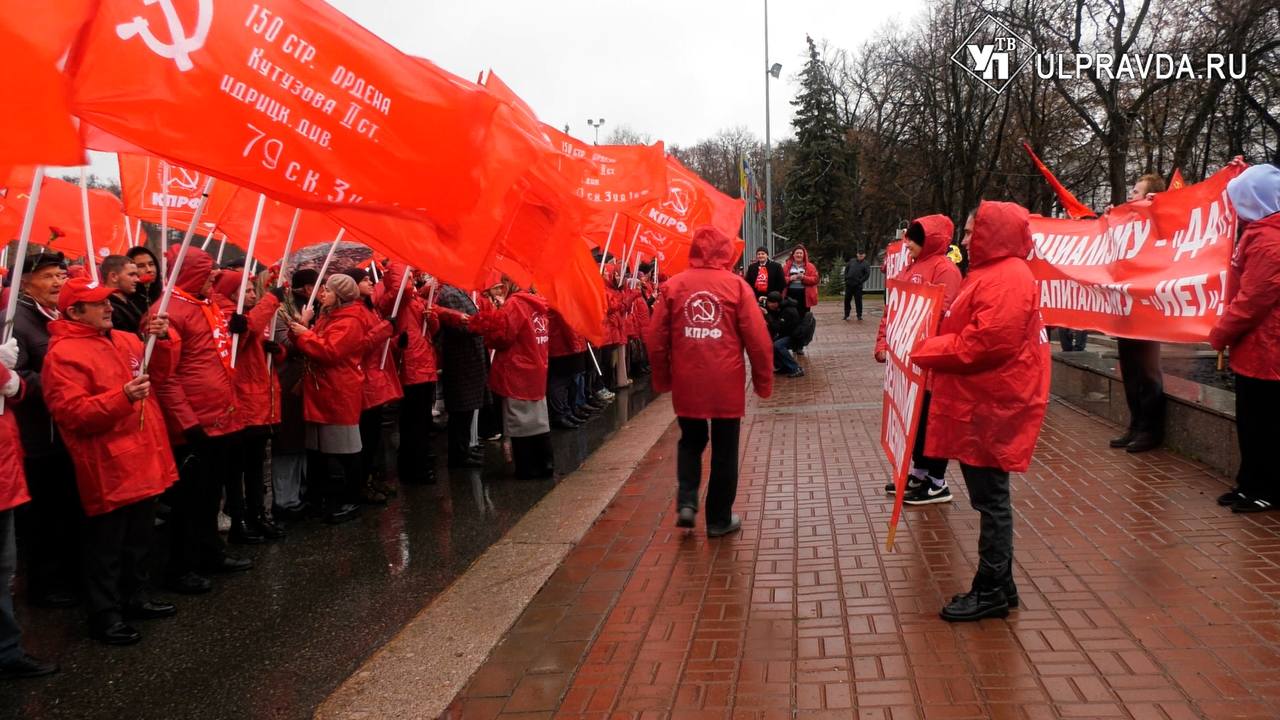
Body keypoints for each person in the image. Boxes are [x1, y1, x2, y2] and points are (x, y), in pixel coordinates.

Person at [912, 201, 1050, 622]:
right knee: (990, 497)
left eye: (973, 232)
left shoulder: (1006, 277)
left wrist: (927, 349)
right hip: (986, 400)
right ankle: (1001, 585)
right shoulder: (996, 273)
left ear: (995, 233)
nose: (967, 240)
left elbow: (985, 343)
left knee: (991, 500)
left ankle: (990, 589)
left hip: (992, 403)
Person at [42, 278, 180, 645]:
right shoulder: (63, 355)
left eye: (107, 301)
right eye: (98, 303)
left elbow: (158, 373)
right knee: (106, 547)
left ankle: (136, 597)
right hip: (109, 464)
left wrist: (163, 340)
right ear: (74, 312)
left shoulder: (124, 339)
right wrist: (123, 397)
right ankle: (105, 615)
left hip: (144, 454)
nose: (108, 307)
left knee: (138, 538)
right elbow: (73, 413)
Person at [646, 226, 774, 537]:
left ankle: (687, 501)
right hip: (726, 382)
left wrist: (663, 378)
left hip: (687, 379)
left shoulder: (674, 286)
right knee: (725, 449)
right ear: (726, 252)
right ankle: (718, 519)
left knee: (691, 441)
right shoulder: (737, 286)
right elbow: (758, 341)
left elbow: (655, 340)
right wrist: (763, 382)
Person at [148, 246, 250, 594]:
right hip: (195, 423)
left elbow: (220, 357)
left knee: (210, 494)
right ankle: (180, 568)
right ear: (191, 274)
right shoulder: (166, 312)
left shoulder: (203, 304)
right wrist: (187, 423)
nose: (214, 280)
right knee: (188, 500)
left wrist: (240, 333)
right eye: (208, 275)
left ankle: (209, 553)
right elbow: (165, 376)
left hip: (220, 416)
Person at [8, 249, 81, 609]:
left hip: (64, 430)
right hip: (36, 435)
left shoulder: (60, 314)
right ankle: (42, 586)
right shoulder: (14, 320)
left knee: (64, 507)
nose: (57, 282)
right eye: (49, 276)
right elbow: (14, 377)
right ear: (25, 282)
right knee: (41, 516)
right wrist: (59, 383)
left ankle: (64, 575)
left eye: (61, 275)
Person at [875, 215, 964, 505]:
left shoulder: (945, 269)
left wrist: (912, 344)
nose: (907, 244)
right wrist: (883, 343)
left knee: (931, 422)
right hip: (911, 364)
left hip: (931, 364)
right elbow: (893, 309)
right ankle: (920, 473)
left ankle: (937, 483)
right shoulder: (910, 268)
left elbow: (942, 315)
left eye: (914, 239)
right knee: (915, 422)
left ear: (930, 240)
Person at [1209, 163, 1280, 513]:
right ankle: (1249, 483)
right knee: (1251, 422)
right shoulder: (1259, 233)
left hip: (1269, 350)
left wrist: (1220, 332)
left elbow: (1254, 300)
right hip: (1256, 348)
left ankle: (1269, 489)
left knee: (1265, 424)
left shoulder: (1270, 241)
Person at [211, 270, 287, 542]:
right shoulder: (226, 315)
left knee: (255, 465)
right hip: (243, 402)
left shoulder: (250, 315)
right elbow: (242, 338)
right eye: (247, 290)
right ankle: (239, 520)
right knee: (237, 468)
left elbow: (259, 344)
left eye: (254, 290)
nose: (253, 295)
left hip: (261, 400)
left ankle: (257, 515)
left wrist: (277, 351)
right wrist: (271, 300)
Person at [288, 273, 367, 524]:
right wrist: (302, 326)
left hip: (338, 391)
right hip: (322, 390)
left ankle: (352, 499)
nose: (323, 293)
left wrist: (304, 333)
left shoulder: (351, 320)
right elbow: (312, 343)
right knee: (319, 449)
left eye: (329, 290)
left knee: (346, 450)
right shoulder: (329, 315)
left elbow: (330, 351)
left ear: (340, 296)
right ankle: (321, 498)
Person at [0, 337, 58, 677]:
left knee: (3, 568)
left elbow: (18, 392)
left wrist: (8, 376)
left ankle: (7, 650)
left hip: (5, 470)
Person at [468, 277, 554, 480]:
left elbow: (502, 338)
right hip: (536, 368)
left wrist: (488, 325)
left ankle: (528, 468)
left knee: (520, 422)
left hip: (517, 371)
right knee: (539, 421)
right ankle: (545, 462)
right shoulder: (537, 303)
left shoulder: (514, 304)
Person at [1111, 174, 1168, 453]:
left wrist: (1158, 211)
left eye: (1136, 192)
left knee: (1147, 370)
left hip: (1148, 309)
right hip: (1127, 307)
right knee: (1130, 369)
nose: (1130, 195)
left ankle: (1151, 430)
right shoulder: (1127, 224)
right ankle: (1135, 424)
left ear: (1150, 197)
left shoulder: (1160, 224)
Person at [378, 263, 440, 486]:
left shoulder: (414, 299)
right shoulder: (396, 299)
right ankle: (414, 467)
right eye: (410, 276)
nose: (413, 280)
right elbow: (400, 289)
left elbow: (432, 330)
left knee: (422, 419)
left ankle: (418, 463)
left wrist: (431, 318)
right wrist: (403, 261)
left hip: (424, 364)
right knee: (413, 421)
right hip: (411, 366)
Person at [344, 268, 400, 501]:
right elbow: (360, 345)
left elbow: (379, 343)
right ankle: (362, 483)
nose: (369, 283)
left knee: (374, 435)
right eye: (364, 280)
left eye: (369, 278)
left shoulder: (370, 308)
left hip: (376, 377)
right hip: (365, 380)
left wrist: (396, 340)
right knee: (366, 436)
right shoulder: (354, 312)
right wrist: (385, 328)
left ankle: (372, 478)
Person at [271, 268, 319, 520]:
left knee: (302, 440)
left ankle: (299, 493)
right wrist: (305, 324)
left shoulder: (314, 307)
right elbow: (287, 346)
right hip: (287, 383)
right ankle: (284, 500)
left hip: (303, 382)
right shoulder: (280, 312)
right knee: (287, 442)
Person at [434, 284, 490, 468]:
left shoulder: (459, 292)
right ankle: (459, 454)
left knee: (467, 411)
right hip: (462, 361)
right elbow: (460, 327)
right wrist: (484, 325)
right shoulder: (449, 293)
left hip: (469, 360)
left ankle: (464, 449)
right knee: (461, 411)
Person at [763, 291, 804, 378]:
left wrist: (766, 314)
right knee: (769, 345)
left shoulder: (787, 311)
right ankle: (784, 366)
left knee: (777, 345)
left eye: (770, 303)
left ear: (776, 303)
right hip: (788, 333)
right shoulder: (782, 306)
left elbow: (777, 327)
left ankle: (796, 368)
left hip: (795, 336)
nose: (768, 305)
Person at [101, 255, 144, 334]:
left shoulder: (130, 301)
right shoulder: (104, 307)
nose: (137, 279)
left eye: (137, 275)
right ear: (114, 276)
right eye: (131, 274)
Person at [781, 245, 819, 319]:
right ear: (793, 255)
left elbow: (815, 279)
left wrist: (803, 278)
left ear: (804, 255)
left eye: (801, 253)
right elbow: (781, 279)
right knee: (790, 314)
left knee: (803, 315)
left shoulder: (810, 266)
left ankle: (803, 326)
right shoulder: (787, 266)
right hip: (790, 294)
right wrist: (790, 278)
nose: (799, 255)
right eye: (797, 253)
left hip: (804, 295)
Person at [125, 246, 162, 312]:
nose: (149, 270)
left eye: (151, 264)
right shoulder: (126, 302)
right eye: (141, 266)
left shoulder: (165, 294)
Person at [843, 250, 870, 321]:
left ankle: (859, 315)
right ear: (857, 254)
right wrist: (846, 278)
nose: (860, 255)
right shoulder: (852, 261)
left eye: (862, 254)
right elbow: (846, 269)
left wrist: (860, 281)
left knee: (858, 301)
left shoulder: (866, 264)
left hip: (858, 286)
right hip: (849, 284)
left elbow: (867, 275)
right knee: (847, 300)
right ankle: (846, 315)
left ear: (864, 255)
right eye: (859, 254)